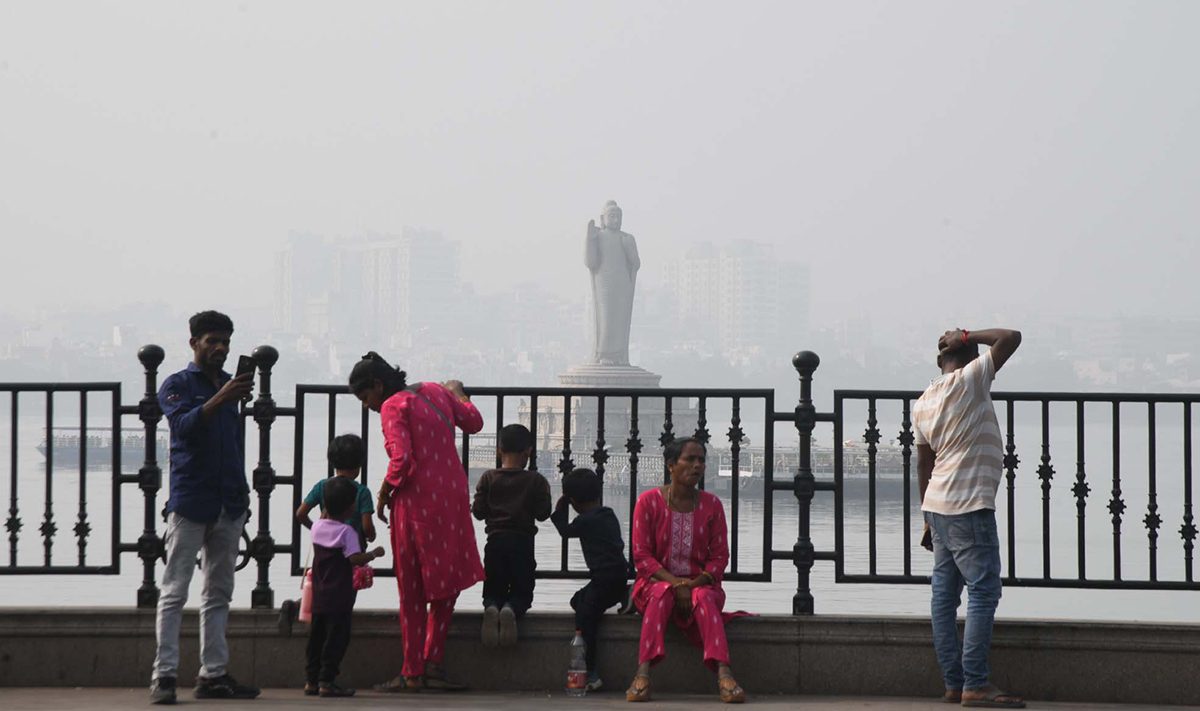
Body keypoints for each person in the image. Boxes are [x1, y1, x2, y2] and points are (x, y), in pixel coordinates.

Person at [349, 351, 484, 693]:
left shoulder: (394, 406)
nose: (367, 406)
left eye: (365, 398)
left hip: (417, 505)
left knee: (411, 589)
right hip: (451, 500)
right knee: (444, 585)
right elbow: (474, 422)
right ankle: (434, 664)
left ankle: (411, 672)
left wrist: (382, 494)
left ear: (378, 386)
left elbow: (403, 458)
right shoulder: (435, 391)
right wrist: (458, 392)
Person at [150, 310, 260, 704]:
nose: (220, 348)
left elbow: (233, 442)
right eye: (212, 340)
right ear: (194, 342)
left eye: (226, 342)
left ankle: (212, 673)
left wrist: (243, 494)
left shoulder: (231, 385)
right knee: (174, 591)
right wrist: (221, 397)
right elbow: (183, 426)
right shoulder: (176, 384)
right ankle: (164, 676)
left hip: (229, 503)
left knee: (218, 592)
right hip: (191, 501)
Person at [914, 327, 1024, 709]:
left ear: (938, 360)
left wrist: (926, 518)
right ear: (970, 354)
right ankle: (975, 683)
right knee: (983, 591)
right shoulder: (971, 379)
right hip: (969, 505)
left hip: (939, 507)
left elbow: (923, 464)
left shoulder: (925, 399)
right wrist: (968, 333)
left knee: (943, 597)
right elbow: (1012, 336)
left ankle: (953, 682)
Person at [626, 437, 747, 704]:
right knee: (661, 595)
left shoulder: (712, 505)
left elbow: (719, 558)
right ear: (670, 465)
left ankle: (724, 672)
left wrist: (689, 586)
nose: (697, 465)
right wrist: (674, 584)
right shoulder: (648, 502)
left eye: (701, 460)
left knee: (703, 598)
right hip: (655, 584)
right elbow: (642, 557)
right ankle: (643, 671)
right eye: (690, 459)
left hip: (701, 585)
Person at [303, 476, 386, 697]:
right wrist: (374, 553)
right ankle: (327, 681)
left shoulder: (317, 528)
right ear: (351, 508)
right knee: (337, 638)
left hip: (319, 592)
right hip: (340, 594)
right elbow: (354, 559)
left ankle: (311, 680)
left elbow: (321, 523)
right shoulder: (347, 532)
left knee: (317, 637)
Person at [471, 423, 551, 647]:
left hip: (494, 542)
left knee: (493, 588)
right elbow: (543, 514)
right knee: (522, 592)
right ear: (528, 452)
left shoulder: (487, 478)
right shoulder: (536, 481)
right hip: (523, 543)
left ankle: (493, 608)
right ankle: (511, 609)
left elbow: (478, 513)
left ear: (498, 451)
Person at [551, 467, 629, 692]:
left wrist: (559, 509)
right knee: (579, 601)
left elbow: (565, 531)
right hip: (617, 575)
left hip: (603, 579)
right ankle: (626, 594)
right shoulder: (608, 514)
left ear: (573, 501)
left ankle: (591, 671)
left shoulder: (585, 521)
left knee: (584, 622)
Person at [297, 434, 376, 548]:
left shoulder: (322, 486)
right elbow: (367, 527)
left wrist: (317, 529)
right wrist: (372, 536)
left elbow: (301, 513)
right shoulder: (362, 492)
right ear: (360, 463)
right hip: (353, 554)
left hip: (326, 553)